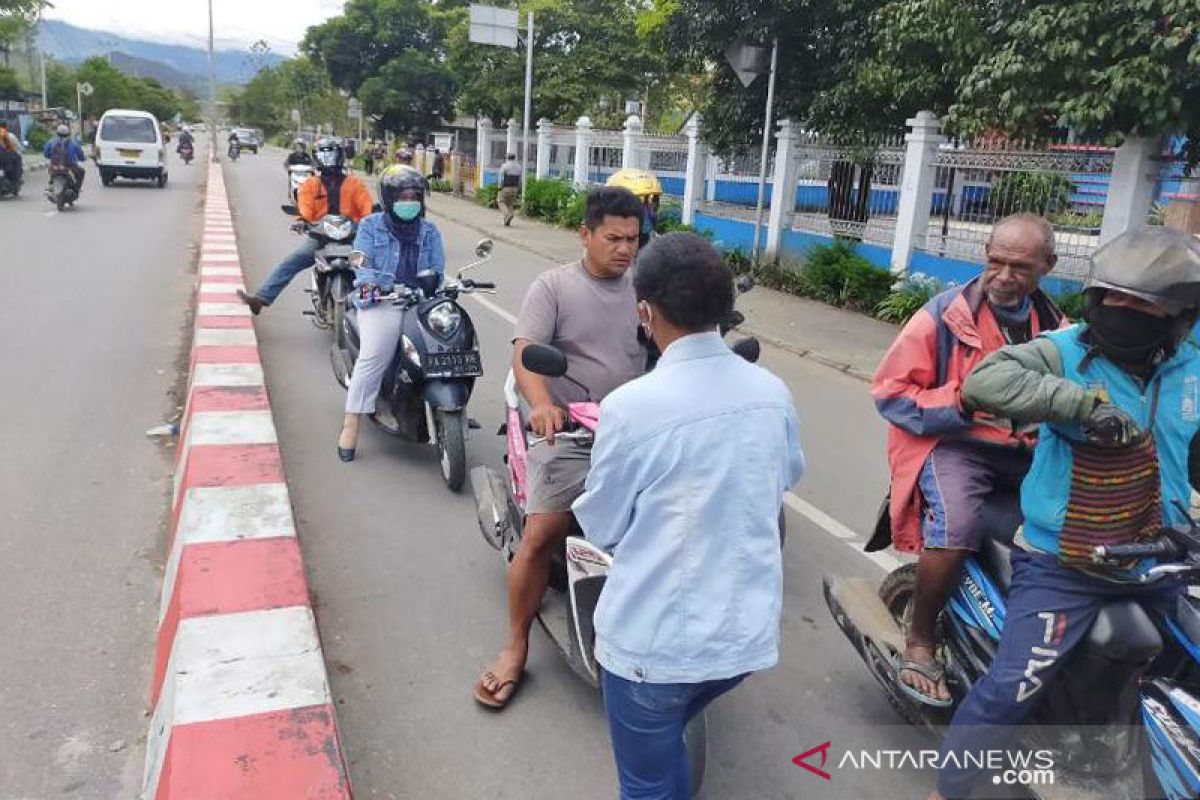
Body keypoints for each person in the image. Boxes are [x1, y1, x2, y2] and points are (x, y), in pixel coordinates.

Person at [928, 227, 1200, 800]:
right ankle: (947, 790)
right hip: (1063, 564)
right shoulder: (1067, 349)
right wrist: (1076, 403)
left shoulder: (1191, 366)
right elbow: (984, 381)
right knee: (1013, 686)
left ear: (1177, 316)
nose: (1123, 312)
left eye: (1142, 303)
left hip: (1158, 556)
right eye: (1113, 298)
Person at [573, 232, 804, 799]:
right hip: (741, 642)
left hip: (652, 651)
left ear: (645, 312)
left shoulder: (630, 407)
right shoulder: (771, 392)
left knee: (647, 784)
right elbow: (784, 477)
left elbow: (602, 528)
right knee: (665, 761)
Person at [871, 214, 1066, 706]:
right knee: (957, 527)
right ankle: (919, 639)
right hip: (956, 445)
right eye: (994, 261)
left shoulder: (1060, 330)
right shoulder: (942, 316)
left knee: (1068, 539)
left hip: (1026, 454)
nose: (1002, 276)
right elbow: (890, 393)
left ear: (1049, 265)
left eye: (1019, 267)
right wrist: (962, 403)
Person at [474, 186, 648, 709]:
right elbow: (525, 353)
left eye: (633, 239)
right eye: (613, 238)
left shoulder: (646, 287)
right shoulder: (553, 287)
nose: (624, 249)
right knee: (542, 532)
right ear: (586, 235)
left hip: (638, 430)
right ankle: (515, 645)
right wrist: (543, 405)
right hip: (572, 430)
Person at [336, 165, 445, 461]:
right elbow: (362, 264)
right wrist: (378, 285)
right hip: (382, 301)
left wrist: (434, 285)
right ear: (388, 197)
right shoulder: (371, 226)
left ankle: (445, 406)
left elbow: (437, 269)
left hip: (420, 300)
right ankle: (351, 422)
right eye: (402, 195)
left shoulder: (430, 231)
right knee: (375, 353)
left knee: (446, 343)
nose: (409, 201)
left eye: (414, 195)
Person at [237, 137, 373, 314]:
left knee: (371, 267)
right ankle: (261, 298)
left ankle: (374, 307)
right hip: (321, 237)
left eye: (332, 154)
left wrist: (370, 223)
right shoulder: (311, 184)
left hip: (352, 237)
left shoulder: (355, 183)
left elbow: (366, 208)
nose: (329, 159)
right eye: (324, 155)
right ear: (316, 158)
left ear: (340, 156)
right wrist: (302, 221)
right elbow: (305, 208)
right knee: (291, 262)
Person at [44, 124, 86, 194]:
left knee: (51, 173)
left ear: (57, 133)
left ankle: (51, 185)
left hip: (54, 166)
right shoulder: (73, 142)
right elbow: (80, 155)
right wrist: (83, 158)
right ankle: (76, 190)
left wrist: (52, 158)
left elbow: (46, 153)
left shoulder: (51, 142)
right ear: (68, 134)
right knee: (81, 172)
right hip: (70, 166)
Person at [497, 153, 522, 227]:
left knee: (500, 201)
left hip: (506, 187)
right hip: (515, 188)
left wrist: (499, 187)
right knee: (509, 203)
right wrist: (519, 187)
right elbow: (520, 179)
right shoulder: (519, 167)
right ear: (514, 158)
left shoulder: (505, 166)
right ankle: (507, 221)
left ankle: (507, 214)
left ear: (507, 158)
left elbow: (501, 178)